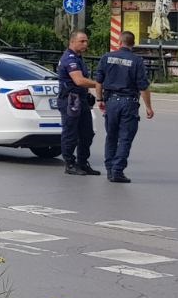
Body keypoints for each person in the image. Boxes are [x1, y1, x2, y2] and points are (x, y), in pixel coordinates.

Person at [95, 31, 154, 184]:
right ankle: (117, 170)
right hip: (128, 103)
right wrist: (148, 107)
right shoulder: (136, 61)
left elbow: (98, 81)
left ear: (119, 42)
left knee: (111, 136)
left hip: (111, 101)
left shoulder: (106, 57)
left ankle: (109, 169)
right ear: (132, 44)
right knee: (125, 138)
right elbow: (143, 86)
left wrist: (99, 99)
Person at [56, 30, 102, 176]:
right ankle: (69, 163)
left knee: (87, 133)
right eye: (82, 41)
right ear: (72, 41)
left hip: (80, 99)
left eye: (86, 41)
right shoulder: (69, 58)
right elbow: (79, 81)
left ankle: (82, 162)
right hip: (70, 100)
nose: (85, 44)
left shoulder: (78, 58)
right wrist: (100, 85)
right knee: (71, 133)